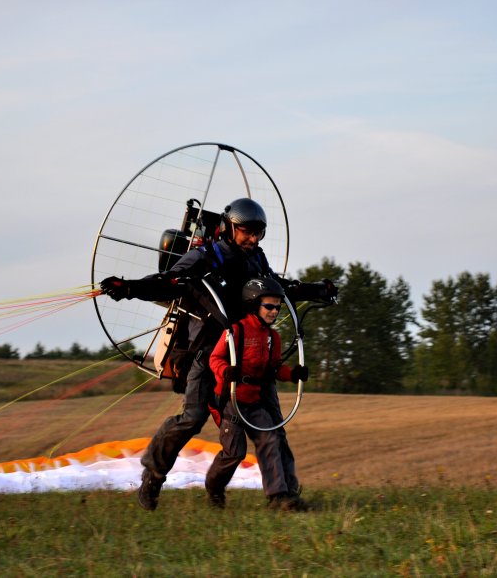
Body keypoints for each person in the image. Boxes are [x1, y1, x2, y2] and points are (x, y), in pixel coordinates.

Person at [100, 197, 337, 510]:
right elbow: (170, 283)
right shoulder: (204, 256)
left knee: (272, 426)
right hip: (209, 353)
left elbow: (277, 288)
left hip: (251, 351)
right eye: (246, 232)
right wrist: (128, 287)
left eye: (258, 233)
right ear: (228, 227)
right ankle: (153, 476)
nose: (252, 239)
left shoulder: (257, 260)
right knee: (192, 419)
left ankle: (283, 497)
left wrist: (315, 289)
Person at [205, 277, 309, 511]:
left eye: (277, 307)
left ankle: (278, 497)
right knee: (235, 453)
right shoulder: (236, 331)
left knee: (270, 440)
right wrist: (226, 372)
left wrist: (293, 375)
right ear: (254, 305)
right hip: (232, 401)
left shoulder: (273, 338)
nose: (274, 312)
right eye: (269, 306)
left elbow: (273, 369)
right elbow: (215, 358)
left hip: (255, 402)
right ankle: (214, 487)